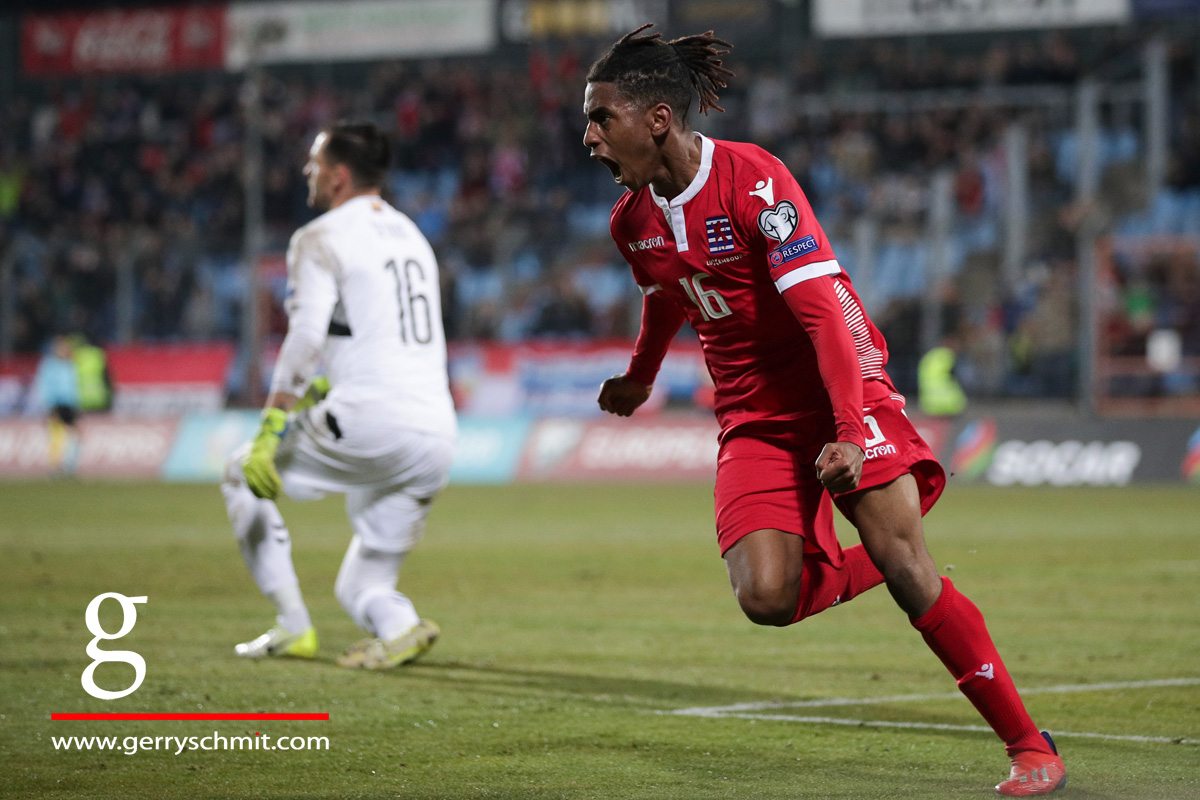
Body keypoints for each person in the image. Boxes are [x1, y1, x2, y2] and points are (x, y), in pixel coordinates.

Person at [585, 25, 1065, 796]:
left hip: (839, 381)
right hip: (753, 414)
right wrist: (640, 377)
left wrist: (848, 433)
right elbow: (665, 298)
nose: (589, 137)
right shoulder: (630, 223)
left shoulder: (755, 182)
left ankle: (1029, 746)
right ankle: (887, 545)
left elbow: (824, 321)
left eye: (600, 117)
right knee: (766, 598)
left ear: (657, 120)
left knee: (912, 572)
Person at [221, 121, 457, 670]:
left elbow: (304, 338)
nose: (308, 171)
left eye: (314, 163)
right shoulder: (411, 236)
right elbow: (388, 332)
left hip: (373, 418)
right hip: (436, 434)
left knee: (239, 473)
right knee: (362, 585)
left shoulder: (319, 237)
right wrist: (337, 380)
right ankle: (399, 627)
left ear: (338, 176)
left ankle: (292, 627)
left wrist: (273, 422)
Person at [32, 335, 80, 478]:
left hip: (70, 404)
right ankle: (55, 467)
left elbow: (73, 386)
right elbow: (44, 386)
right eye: (62, 347)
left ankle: (69, 466)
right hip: (56, 404)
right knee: (57, 436)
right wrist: (48, 404)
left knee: (74, 435)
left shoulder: (70, 364)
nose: (65, 350)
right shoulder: (49, 365)